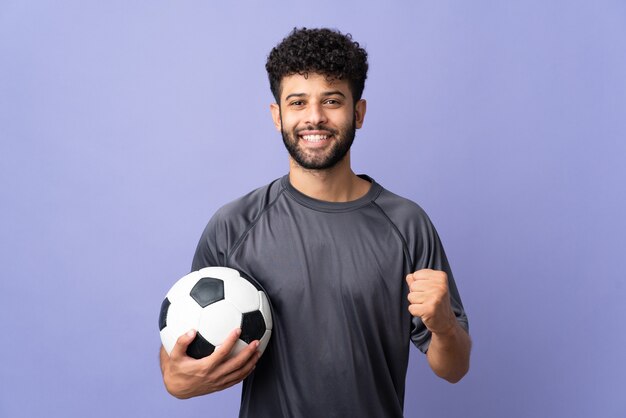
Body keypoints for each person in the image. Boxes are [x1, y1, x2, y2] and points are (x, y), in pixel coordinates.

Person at [160, 27, 471, 417]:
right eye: (297, 102)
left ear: (358, 112)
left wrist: (443, 326)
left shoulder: (407, 224)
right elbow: (179, 349)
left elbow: (454, 368)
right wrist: (176, 379)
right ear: (277, 115)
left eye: (332, 101)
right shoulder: (234, 225)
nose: (314, 118)